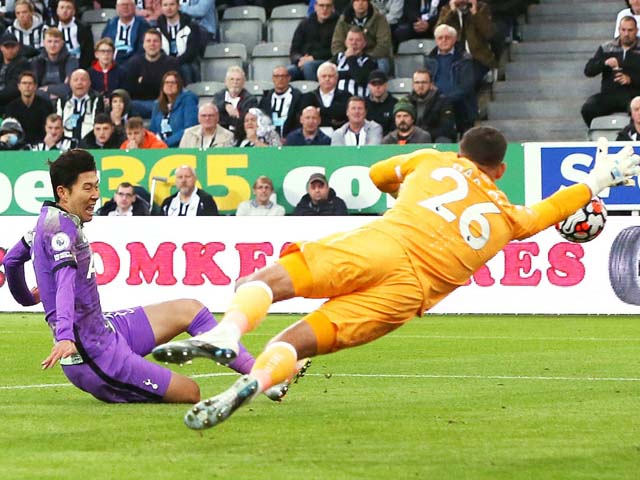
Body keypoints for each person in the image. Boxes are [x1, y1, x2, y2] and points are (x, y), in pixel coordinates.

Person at [152, 129, 640, 430]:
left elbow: (378, 173)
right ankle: (256, 384)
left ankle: (227, 331)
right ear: (502, 169)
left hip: (384, 242)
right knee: (296, 341)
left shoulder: (434, 160)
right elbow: (549, 210)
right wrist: (600, 180)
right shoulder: (509, 217)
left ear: (461, 151)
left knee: (271, 280)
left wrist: (403, 184)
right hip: (410, 293)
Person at [1, 149, 278, 404]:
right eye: (87, 188)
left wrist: (28, 297)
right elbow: (63, 283)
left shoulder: (44, 223)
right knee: (191, 392)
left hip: (106, 330)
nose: (96, 195)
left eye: (96, 185)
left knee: (190, 309)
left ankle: (259, 375)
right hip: (95, 358)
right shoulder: (62, 232)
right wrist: (63, 335)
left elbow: (12, 261)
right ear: (63, 192)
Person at [582, 16, 640, 127]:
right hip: (609, 94)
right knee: (588, 108)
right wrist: (604, 63)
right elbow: (588, 71)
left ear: (636, 30)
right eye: (623, 30)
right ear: (619, 29)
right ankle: (598, 135)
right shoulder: (607, 47)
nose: (626, 34)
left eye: (630, 30)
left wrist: (630, 79)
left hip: (634, 94)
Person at [425, 24, 477, 135]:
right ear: (435, 40)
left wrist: (446, 99)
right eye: (440, 38)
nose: (444, 40)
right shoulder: (429, 60)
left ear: (454, 39)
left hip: (460, 105)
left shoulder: (464, 59)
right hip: (436, 105)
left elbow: (466, 86)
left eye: (447, 37)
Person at [436, 0, 497, 86]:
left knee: (466, 79)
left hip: (478, 58)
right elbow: (438, 32)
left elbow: (488, 34)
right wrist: (451, 13)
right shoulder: (447, 10)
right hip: (454, 58)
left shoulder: (481, 8)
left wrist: (475, 14)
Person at [125, 29, 180, 118]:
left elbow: (175, 89)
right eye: (148, 41)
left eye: (155, 41)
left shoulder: (171, 63)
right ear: (143, 45)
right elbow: (129, 90)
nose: (152, 44)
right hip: (139, 105)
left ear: (161, 44)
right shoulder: (134, 63)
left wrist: (143, 82)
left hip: (165, 103)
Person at [331, 0, 393, 74]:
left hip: (373, 55)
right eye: (357, 1)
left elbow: (384, 44)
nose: (360, 3)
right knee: (329, 67)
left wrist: (365, 56)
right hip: (349, 54)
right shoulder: (343, 19)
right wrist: (345, 55)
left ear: (368, 2)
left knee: (382, 64)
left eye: (363, 0)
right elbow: (337, 44)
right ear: (352, 3)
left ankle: (377, 84)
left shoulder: (379, 18)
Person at [288, 0, 338, 81]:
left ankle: (313, 93)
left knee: (309, 66)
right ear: (315, 7)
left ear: (333, 8)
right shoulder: (305, 23)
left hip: (327, 61)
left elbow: (335, 50)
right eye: (321, 6)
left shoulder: (338, 24)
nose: (324, 9)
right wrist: (299, 60)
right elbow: (294, 49)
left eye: (328, 6)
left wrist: (313, 57)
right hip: (303, 62)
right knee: (287, 72)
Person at [156, 0, 201, 84]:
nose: (169, 8)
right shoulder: (157, 27)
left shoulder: (192, 26)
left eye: (172, 4)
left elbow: (192, 52)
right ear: (161, 8)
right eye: (165, 5)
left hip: (185, 62)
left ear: (178, 6)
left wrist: (175, 62)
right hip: (165, 62)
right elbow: (157, 49)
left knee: (186, 69)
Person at [149, 70, 198, 147]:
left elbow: (190, 129)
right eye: (167, 82)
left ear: (179, 85)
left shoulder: (188, 100)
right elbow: (152, 130)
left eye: (173, 83)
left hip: (182, 146)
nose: (169, 85)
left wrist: (165, 143)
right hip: (160, 148)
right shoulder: (157, 105)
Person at [407, 68, 456, 142]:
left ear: (431, 84)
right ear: (413, 85)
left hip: (434, 139)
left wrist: (422, 134)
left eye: (424, 82)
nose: (420, 86)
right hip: (411, 138)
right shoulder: (406, 101)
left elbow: (447, 129)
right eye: (417, 82)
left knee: (443, 140)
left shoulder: (443, 101)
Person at [55, 68, 105, 142]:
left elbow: (98, 123)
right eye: (75, 80)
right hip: (65, 143)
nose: (79, 83)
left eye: (83, 80)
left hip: (89, 143)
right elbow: (57, 124)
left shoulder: (96, 99)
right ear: (70, 83)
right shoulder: (62, 100)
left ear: (89, 83)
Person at [5, 71, 54, 144]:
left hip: (41, 147)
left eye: (30, 83)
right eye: (24, 83)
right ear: (19, 86)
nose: (27, 86)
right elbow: (8, 132)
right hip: (17, 148)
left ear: (35, 86)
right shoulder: (11, 107)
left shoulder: (46, 105)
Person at [299, 61, 351, 130]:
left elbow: (343, 112)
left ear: (336, 78)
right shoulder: (308, 97)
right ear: (318, 78)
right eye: (324, 76)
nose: (327, 79)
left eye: (330, 76)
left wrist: (320, 111)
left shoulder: (346, 96)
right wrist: (332, 114)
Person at [32, 27, 77, 102]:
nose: (52, 45)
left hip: (66, 101)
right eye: (49, 41)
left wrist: (47, 88)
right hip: (41, 101)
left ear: (62, 43)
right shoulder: (37, 61)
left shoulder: (71, 61)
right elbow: (31, 88)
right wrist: (48, 96)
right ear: (44, 43)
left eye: (56, 42)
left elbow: (70, 87)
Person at [258, 65, 303, 138]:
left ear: (289, 78)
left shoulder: (297, 97)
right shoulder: (265, 99)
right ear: (273, 79)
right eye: (277, 76)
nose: (280, 79)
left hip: (291, 139)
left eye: (283, 76)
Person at [332, 26, 377, 97]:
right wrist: (351, 74)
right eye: (351, 40)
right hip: (338, 101)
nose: (354, 43)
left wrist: (351, 58)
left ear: (364, 44)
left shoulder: (369, 61)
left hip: (358, 100)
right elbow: (329, 77)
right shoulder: (338, 58)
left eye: (358, 40)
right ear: (345, 42)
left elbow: (361, 79)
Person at [213, 66, 258, 135]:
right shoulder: (218, 96)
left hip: (240, 134)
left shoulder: (251, 100)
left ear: (243, 83)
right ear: (226, 82)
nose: (235, 82)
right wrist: (225, 105)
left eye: (238, 80)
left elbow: (242, 122)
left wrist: (223, 116)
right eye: (232, 79)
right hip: (219, 135)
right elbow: (213, 115)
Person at [51, 0, 93, 69]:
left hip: (80, 67)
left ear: (73, 11)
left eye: (68, 8)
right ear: (57, 11)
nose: (65, 11)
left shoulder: (84, 28)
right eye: (62, 7)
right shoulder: (52, 29)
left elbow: (88, 53)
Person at [0, 31, 30, 116]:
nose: (10, 50)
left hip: (10, 104)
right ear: (1, 48)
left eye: (12, 46)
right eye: (7, 47)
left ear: (18, 47)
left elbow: (14, 89)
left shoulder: (23, 63)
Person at [364, 69, 396, 135]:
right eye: (374, 84)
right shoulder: (363, 104)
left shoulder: (395, 104)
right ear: (369, 86)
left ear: (386, 85)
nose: (377, 87)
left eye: (380, 84)